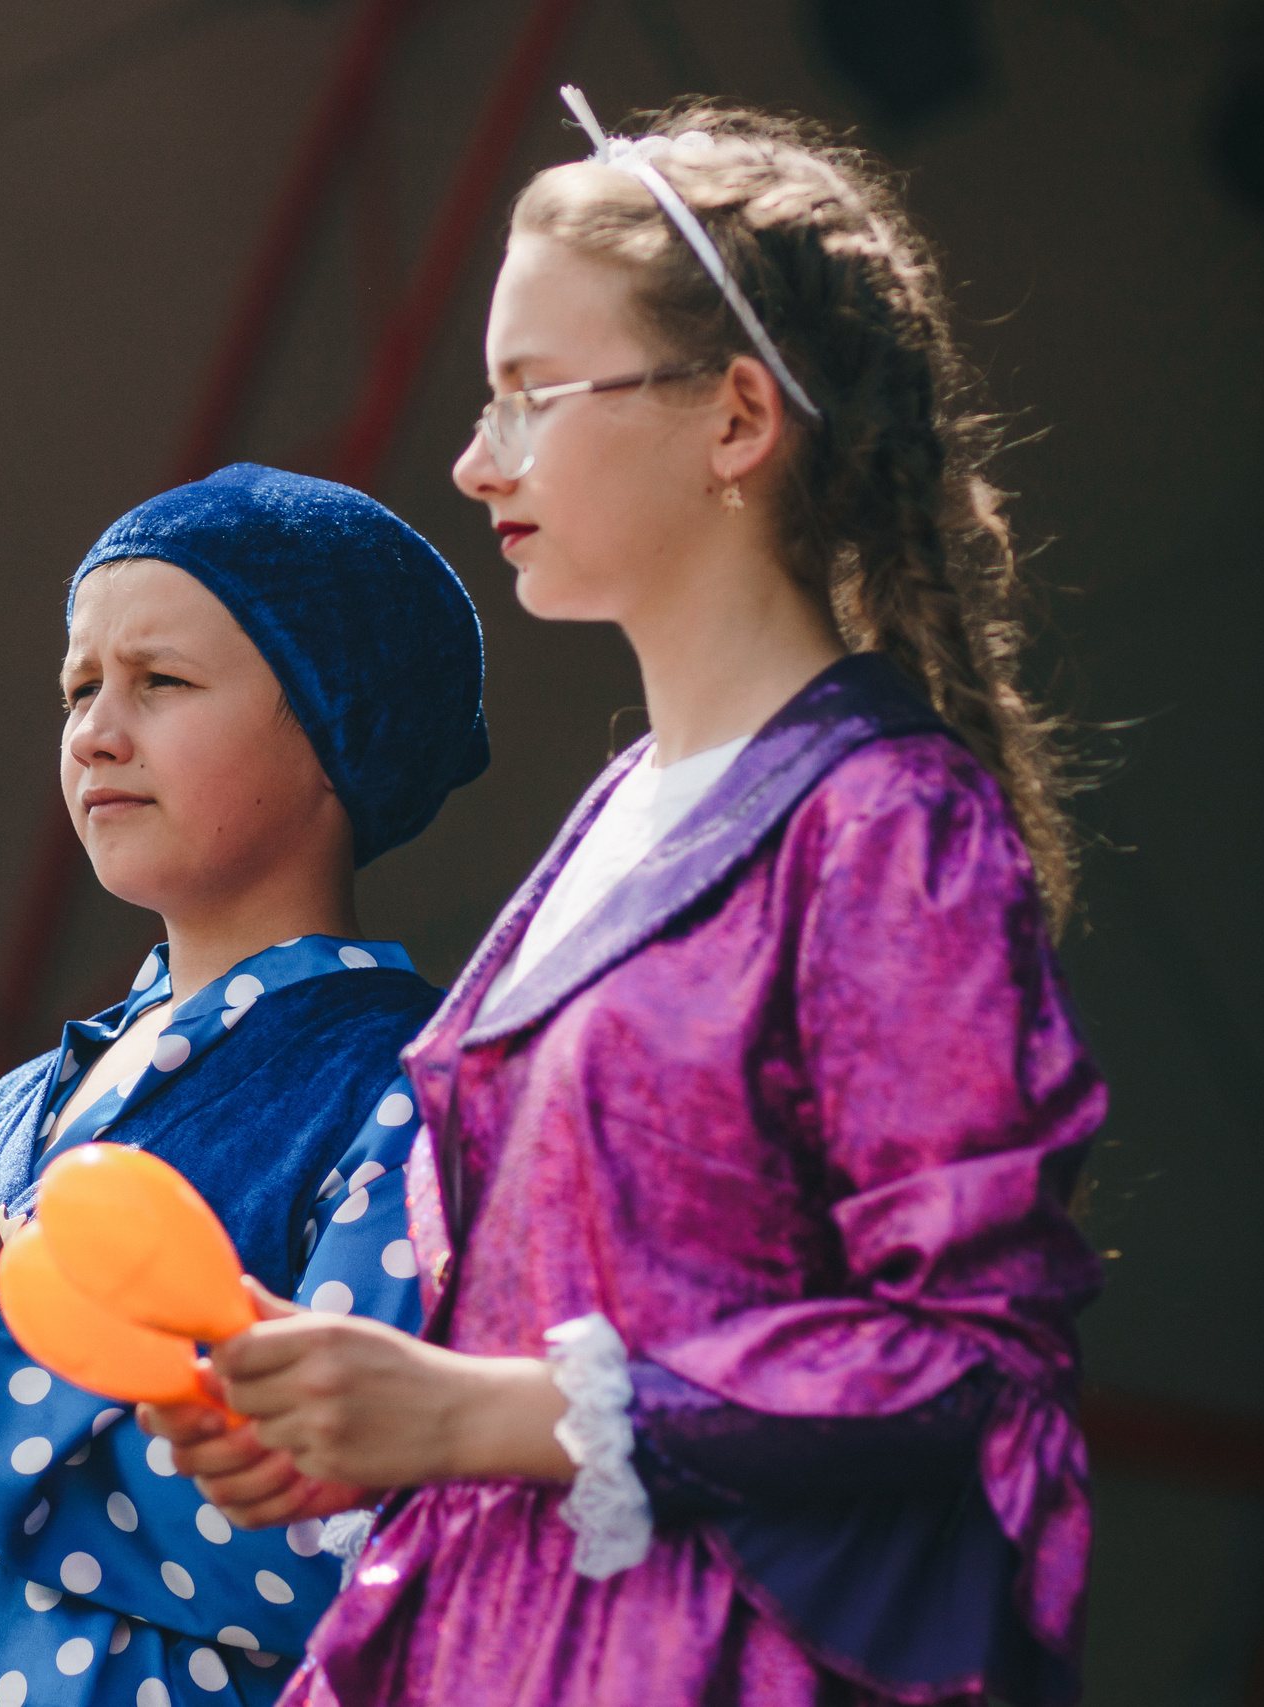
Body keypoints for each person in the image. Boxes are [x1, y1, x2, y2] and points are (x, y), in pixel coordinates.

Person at [148, 93, 1104, 1707]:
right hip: (497, 1635)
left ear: (738, 417)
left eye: (530, 394)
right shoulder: (620, 812)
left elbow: (975, 1352)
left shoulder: (886, 821)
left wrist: (479, 1410)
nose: (476, 458)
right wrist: (358, 1414)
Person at [0, 463, 490, 1707]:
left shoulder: (406, 1088)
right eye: (78, 688)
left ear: (340, 722)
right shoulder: (15, 1104)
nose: (96, 731)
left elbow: (342, 1558)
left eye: (159, 681)